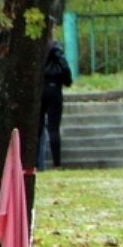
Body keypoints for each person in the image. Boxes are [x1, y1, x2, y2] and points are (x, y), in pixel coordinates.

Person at [39, 31, 74, 168]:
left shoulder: (35, 47)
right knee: (53, 128)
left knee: (38, 128)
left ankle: (36, 162)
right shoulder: (55, 47)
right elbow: (64, 66)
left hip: (39, 89)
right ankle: (57, 163)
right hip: (54, 89)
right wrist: (67, 81)